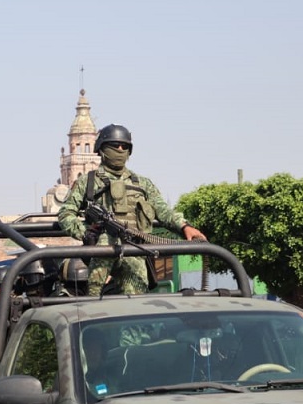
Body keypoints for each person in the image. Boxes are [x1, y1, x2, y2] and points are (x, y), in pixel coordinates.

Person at [58, 123, 206, 296]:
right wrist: (86, 233)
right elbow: (66, 214)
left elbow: (164, 211)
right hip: (102, 249)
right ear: (102, 148)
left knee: (138, 301)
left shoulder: (142, 183)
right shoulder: (88, 182)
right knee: (93, 300)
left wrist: (185, 227)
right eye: (115, 145)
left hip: (135, 249)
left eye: (124, 146)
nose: (120, 149)